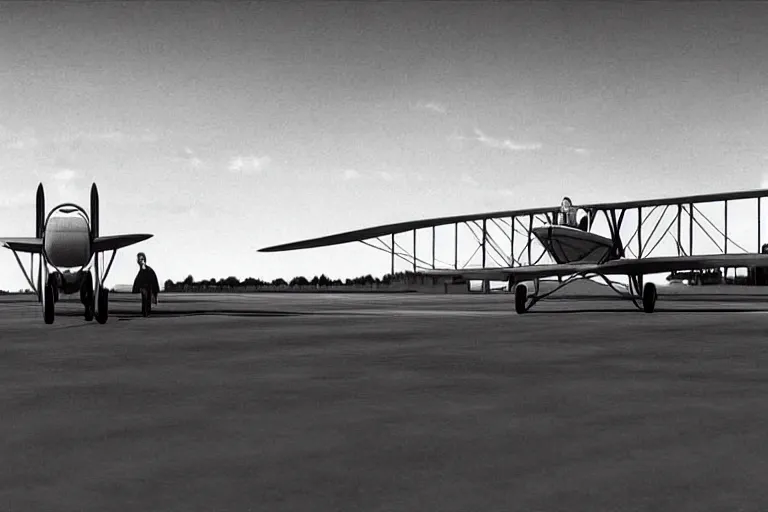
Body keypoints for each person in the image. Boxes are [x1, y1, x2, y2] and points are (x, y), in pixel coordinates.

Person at [132, 252, 160, 316]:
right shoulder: (144, 268)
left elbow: (147, 278)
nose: (139, 261)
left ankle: (146, 312)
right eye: (139, 259)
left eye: (141, 259)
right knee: (146, 299)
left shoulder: (145, 268)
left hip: (147, 286)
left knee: (146, 299)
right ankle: (146, 312)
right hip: (146, 287)